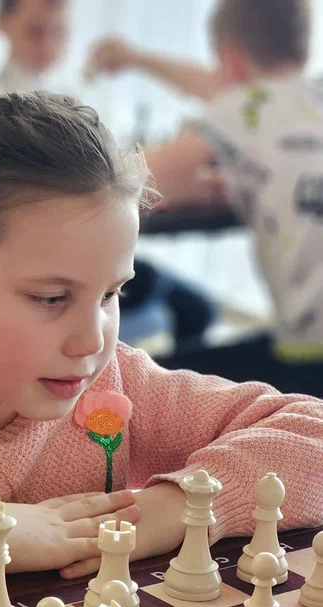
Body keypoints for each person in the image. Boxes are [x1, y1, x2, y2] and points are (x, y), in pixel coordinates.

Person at [0, 91, 323, 607]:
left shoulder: (117, 385)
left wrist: (180, 507)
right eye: (51, 298)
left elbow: (312, 429)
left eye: (110, 294)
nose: (91, 342)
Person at [87, 0, 323, 397]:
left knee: (146, 381)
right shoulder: (310, 95)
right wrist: (134, 57)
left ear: (231, 60)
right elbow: (233, 94)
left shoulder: (244, 107)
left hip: (311, 361)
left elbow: (119, 181)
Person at [0, 0, 218, 350]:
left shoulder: (75, 99)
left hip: (94, 254)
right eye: (36, 32)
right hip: (57, 263)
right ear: (0, 24)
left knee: (197, 309)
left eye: (60, 34)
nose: (48, 46)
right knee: (188, 307)